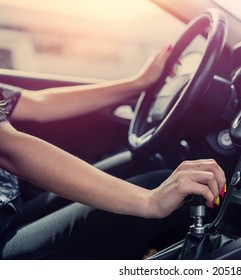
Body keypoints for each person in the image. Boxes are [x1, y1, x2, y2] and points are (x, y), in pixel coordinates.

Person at [0, 45, 226, 259]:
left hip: (11, 209)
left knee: (145, 163)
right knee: (173, 200)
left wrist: (139, 82)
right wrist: (149, 201)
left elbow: (39, 103)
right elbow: (9, 148)